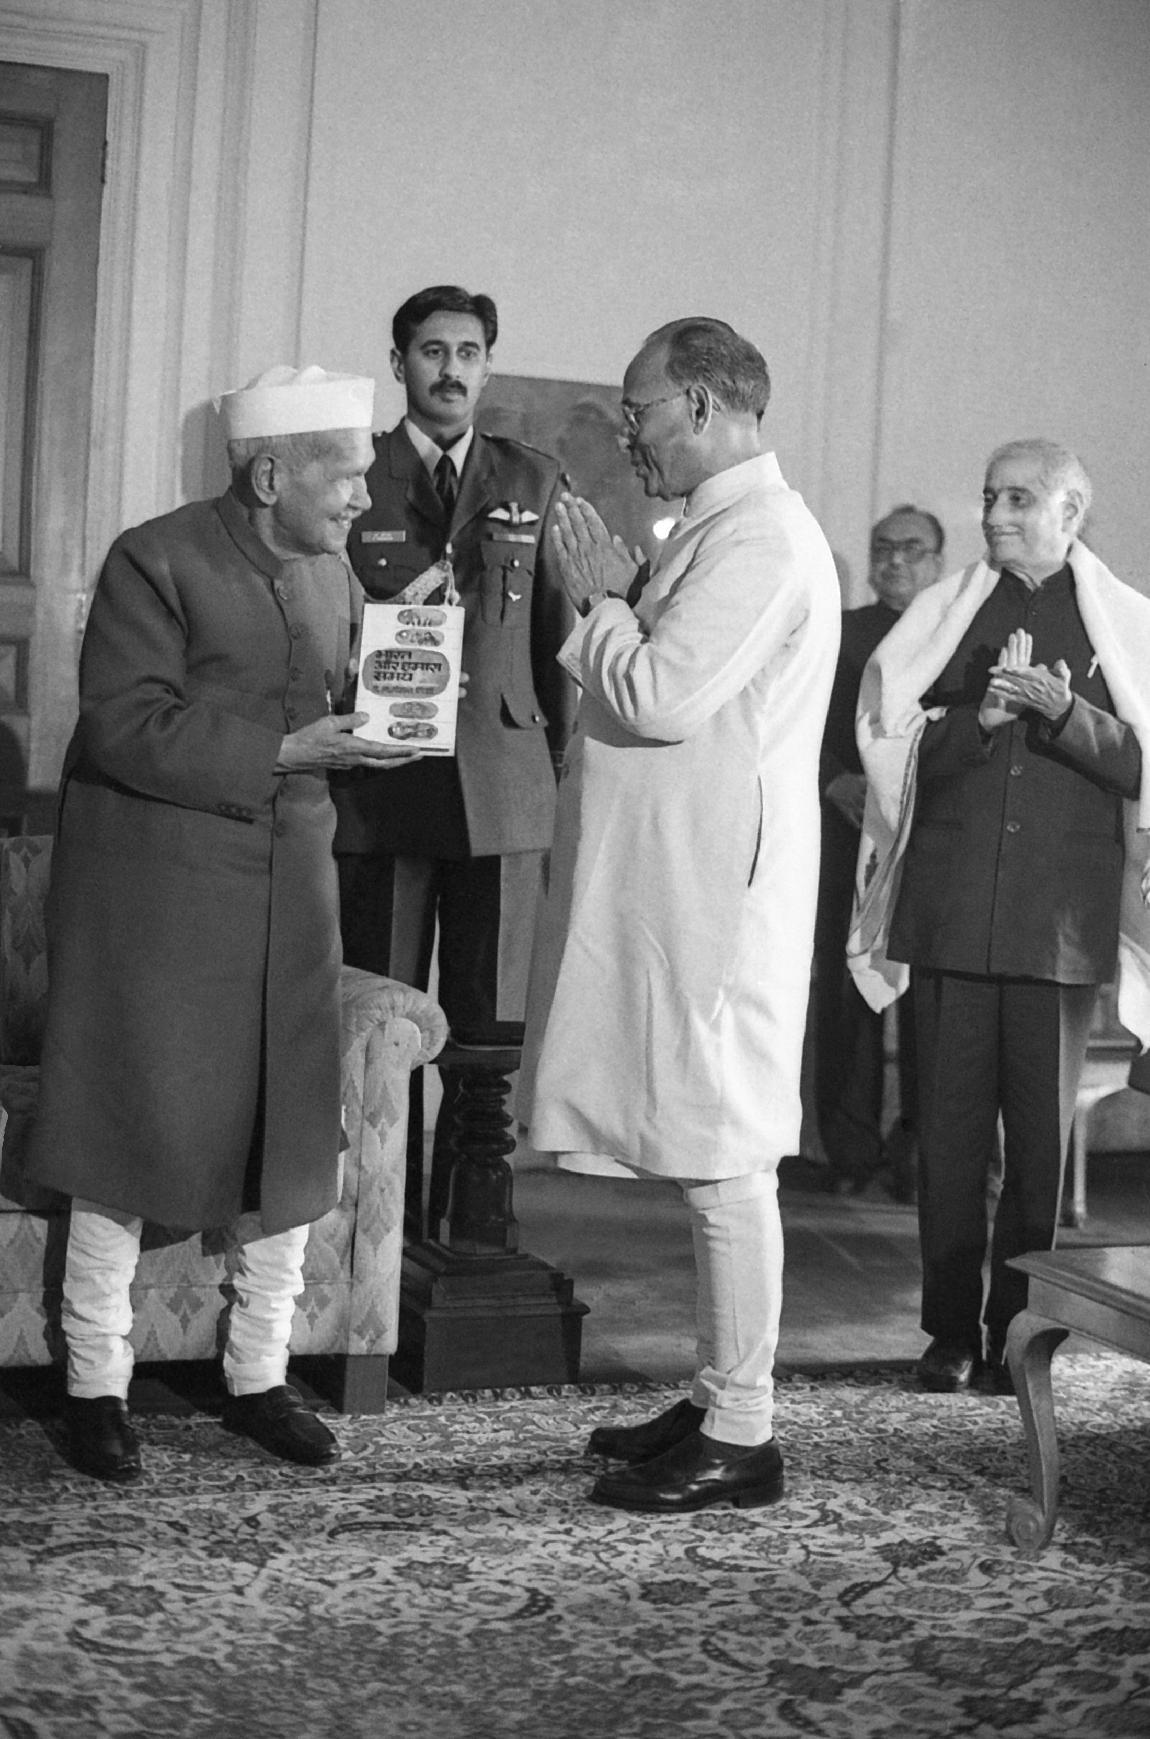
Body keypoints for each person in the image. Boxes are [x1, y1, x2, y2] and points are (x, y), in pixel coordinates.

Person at [25, 365, 420, 1481]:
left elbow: (335, 704)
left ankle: (260, 1373)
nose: (365, 498)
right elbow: (123, 724)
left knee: (289, 1128)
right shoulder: (153, 558)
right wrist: (292, 749)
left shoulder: (335, 571)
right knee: (127, 1127)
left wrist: (386, 725)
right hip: (159, 895)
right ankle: (95, 1384)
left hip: (291, 883)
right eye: (347, 477)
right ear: (270, 475)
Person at [518, 317, 840, 1513]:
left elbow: (659, 696)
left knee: (726, 1158)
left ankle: (743, 1432)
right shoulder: (717, 525)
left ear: (702, 405)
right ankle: (716, 1397)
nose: (629, 434)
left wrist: (602, 599)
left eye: (639, 410)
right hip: (688, 879)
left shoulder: (763, 536)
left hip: (724, 896)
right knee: (708, 1148)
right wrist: (620, 599)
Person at [850, 439, 1150, 1394]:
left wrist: (1064, 712)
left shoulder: (1125, 624)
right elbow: (889, 748)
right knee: (947, 1141)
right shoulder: (947, 614)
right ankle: (948, 1332)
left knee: (1038, 1149)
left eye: (1019, 499)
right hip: (950, 915)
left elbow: (1141, 765)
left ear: (1070, 512)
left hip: (1057, 925)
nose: (995, 515)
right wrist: (974, 723)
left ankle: (1020, 1332)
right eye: (989, 497)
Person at [334, 286, 575, 1228]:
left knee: (489, 1028)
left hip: (502, 784)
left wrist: (550, 766)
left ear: (487, 366)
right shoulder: (358, 471)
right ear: (400, 363)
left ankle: (475, 1228)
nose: (451, 370)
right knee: (380, 1022)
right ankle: (375, 1232)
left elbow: (555, 636)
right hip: (383, 786)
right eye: (433, 351)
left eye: (469, 353)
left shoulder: (533, 480)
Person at [814, 505, 944, 1196]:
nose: (895, 560)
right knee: (846, 996)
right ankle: (850, 1154)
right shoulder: (840, 633)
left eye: (911, 549)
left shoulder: (953, 631)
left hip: (931, 843)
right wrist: (832, 779)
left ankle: (921, 1155)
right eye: (883, 547)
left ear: (938, 562)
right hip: (848, 837)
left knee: (932, 1004)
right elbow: (797, 720)